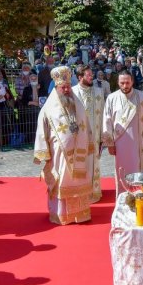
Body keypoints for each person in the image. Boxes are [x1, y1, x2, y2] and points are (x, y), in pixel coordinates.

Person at [34, 66, 95, 225]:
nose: (67, 89)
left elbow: (86, 125)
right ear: (56, 87)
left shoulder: (77, 103)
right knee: (62, 180)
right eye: (63, 87)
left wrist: (90, 143)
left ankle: (80, 213)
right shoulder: (48, 107)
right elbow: (42, 131)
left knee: (78, 180)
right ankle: (61, 214)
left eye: (68, 86)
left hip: (79, 151)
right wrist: (44, 154)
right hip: (58, 154)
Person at [102, 69, 143, 196]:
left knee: (139, 173)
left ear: (132, 82)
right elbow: (107, 121)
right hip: (120, 145)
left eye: (127, 82)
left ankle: (140, 198)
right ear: (118, 82)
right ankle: (123, 197)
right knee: (122, 171)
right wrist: (109, 144)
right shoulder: (111, 98)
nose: (125, 86)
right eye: (122, 83)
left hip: (140, 143)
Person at [72, 65, 108, 203]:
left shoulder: (99, 92)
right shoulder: (73, 93)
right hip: (79, 137)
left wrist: (103, 136)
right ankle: (80, 191)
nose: (91, 77)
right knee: (81, 164)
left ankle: (94, 190)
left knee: (94, 163)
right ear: (80, 77)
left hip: (95, 135)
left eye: (91, 74)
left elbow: (104, 114)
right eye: (88, 75)